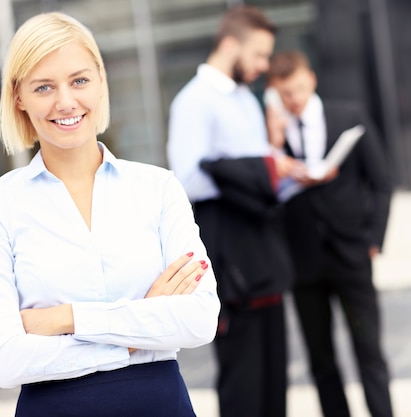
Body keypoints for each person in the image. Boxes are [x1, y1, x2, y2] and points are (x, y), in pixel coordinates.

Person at [0, 12, 220, 417]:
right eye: (44, 86)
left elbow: (199, 320)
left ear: (101, 80)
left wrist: (66, 318)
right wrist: (139, 330)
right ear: (18, 97)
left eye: (79, 80)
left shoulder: (158, 189)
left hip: (160, 405)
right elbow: (6, 360)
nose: (66, 102)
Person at [167, 6, 297, 417]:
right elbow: (186, 181)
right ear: (229, 44)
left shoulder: (246, 98)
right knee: (243, 383)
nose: (263, 65)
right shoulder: (193, 101)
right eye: (258, 55)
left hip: (264, 252)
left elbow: (259, 167)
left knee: (275, 379)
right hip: (231, 254)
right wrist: (256, 172)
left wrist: (274, 163)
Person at [266, 50, 394, 417]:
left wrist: (374, 239)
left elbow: (381, 182)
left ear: (312, 81)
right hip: (303, 261)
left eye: (300, 89)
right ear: (275, 92)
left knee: (369, 349)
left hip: (351, 254)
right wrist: (273, 146)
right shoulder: (272, 134)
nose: (295, 99)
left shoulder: (348, 116)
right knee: (321, 359)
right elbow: (266, 196)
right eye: (285, 93)